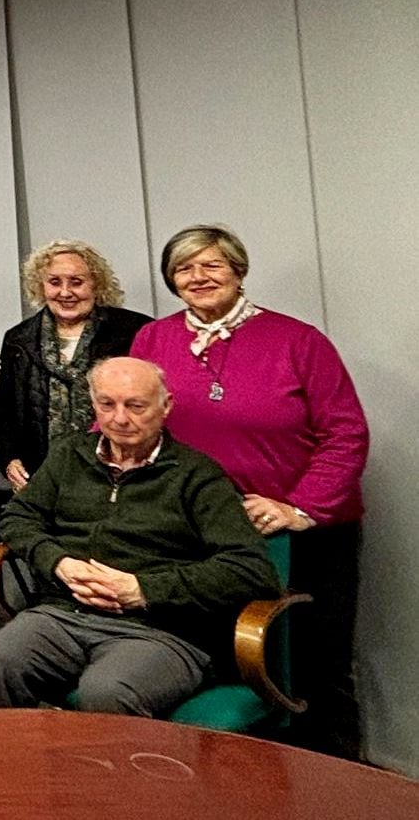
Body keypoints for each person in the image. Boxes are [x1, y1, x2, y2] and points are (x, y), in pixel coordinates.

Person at [130, 223, 370, 757]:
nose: (199, 277)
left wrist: (298, 507)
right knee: (222, 664)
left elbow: (345, 432)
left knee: (314, 667)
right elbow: (128, 418)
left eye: (212, 264)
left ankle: (339, 788)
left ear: (238, 271)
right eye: (185, 268)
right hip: (199, 533)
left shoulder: (298, 340)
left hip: (302, 535)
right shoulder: (153, 340)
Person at [0, 358, 279, 717]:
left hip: (161, 630)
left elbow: (251, 569)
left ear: (166, 407)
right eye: (107, 404)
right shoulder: (71, 454)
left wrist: (142, 589)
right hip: (62, 613)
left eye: (135, 406)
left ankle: (106, 775)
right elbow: (19, 516)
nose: (119, 419)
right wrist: (59, 563)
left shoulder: (198, 476)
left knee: (106, 691)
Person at [0, 240, 149, 491]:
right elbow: (4, 413)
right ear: (40, 286)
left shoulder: (135, 332)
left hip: (124, 479)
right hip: (42, 479)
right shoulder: (18, 340)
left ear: (96, 284)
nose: (65, 293)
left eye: (76, 282)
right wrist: (8, 460)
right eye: (54, 282)